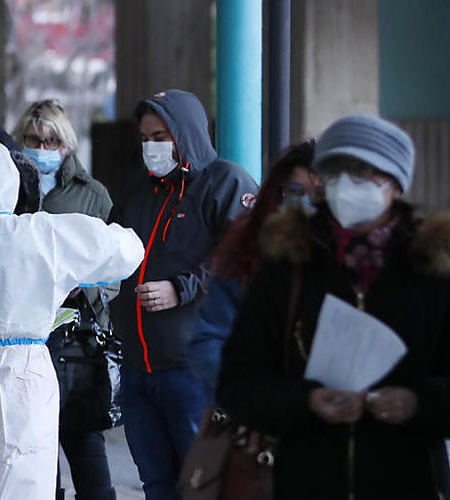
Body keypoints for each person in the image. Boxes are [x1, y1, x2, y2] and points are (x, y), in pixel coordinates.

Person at [218, 115, 450, 499]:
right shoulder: (289, 264)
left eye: (362, 174)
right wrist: (306, 401)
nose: (346, 186)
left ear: (395, 185)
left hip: (408, 480)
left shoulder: (431, 267)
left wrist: (418, 403)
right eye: (335, 173)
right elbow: (237, 384)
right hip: (305, 479)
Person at [0, 136, 145, 499]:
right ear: (9, 180)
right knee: (19, 480)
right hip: (20, 375)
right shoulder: (38, 233)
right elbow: (126, 250)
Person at [108, 89, 258, 499]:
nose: (151, 147)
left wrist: (182, 287)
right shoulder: (140, 191)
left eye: (161, 136)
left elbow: (246, 256)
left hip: (195, 373)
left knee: (206, 484)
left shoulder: (225, 181)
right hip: (139, 370)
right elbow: (110, 245)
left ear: (186, 133)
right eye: (145, 138)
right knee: (156, 484)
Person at [13, 98, 118, 499]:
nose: (41, 148)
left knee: (83, 438)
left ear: (67, 144)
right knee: (37, 450)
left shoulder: (92, 195)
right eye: (33, 139)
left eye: (51, 140)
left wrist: (85, 286)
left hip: (77, 336)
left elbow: (117, 268)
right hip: (24, 332)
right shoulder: (10, 191)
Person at [188, 141, 317, 402]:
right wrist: (260, 391)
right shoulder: (247, 253)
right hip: (258, 417)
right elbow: (209, 343)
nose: (307, 205)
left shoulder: (358, 258)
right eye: (295, 191)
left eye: (319, 194)